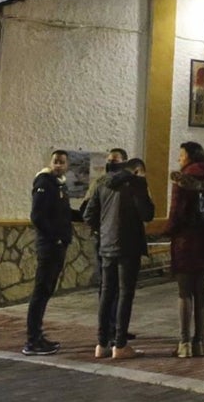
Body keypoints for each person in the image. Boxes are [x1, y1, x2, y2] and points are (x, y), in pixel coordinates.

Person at [85, 156, 154, 359]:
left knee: (107, 294)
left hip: (106, 247)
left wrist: (103, 232)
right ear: (137, 170)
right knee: (125, 294)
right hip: (129, 247)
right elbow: (147, 214)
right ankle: (121, 345)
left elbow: (89, 216)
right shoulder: (136, 183)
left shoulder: (102, 183)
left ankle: (102, 343)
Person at [164, 141, 204, 357]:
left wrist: (167, 231)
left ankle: (184, 343)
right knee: (201, 291)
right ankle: (199, 342)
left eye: (181, 155)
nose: (179, 159)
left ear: (189, 156)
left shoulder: (182, 180)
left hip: (185, 242)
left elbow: (176, 212)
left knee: (184, 292)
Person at [24, 149, 75, 355]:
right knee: (41, 291)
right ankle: (32, 340)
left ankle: (37, 335)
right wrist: (55, 237)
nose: (58, 165)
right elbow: (37, 216)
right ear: (50, 162)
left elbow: (63, 213)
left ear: (67, 165)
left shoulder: (59, 184)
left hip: (57, 244)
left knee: (45, 291)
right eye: (55, 161)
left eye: (62, 162)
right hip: (49, 246)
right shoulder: (44, 183)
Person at [81, 148, 132, 341]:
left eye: (115, 160)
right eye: (109, 160)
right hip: (107, 241)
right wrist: (101, 228)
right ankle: (110, 330)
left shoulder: (124, 183)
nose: (111, 163)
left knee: (115, 289)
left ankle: (115, 329)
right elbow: (88, 210)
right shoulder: (100, 183)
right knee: (110, 288)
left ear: (124, 162)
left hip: (109, 240)